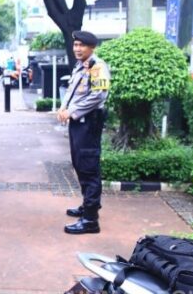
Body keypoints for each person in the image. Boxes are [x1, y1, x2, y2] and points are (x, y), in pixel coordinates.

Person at [57, 30, 110, 235]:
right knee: (80, 164)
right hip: (79, 122)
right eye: (75, 45)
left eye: (82, 45)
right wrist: (64, 109)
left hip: (89, 123)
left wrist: (72, 111)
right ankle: (88, 205)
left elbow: (98, 96)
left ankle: (90, 220)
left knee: (88, 167)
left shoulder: (97, 67)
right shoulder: (81, 66)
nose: (78, 49)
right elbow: (72, 92)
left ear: (92, 47)